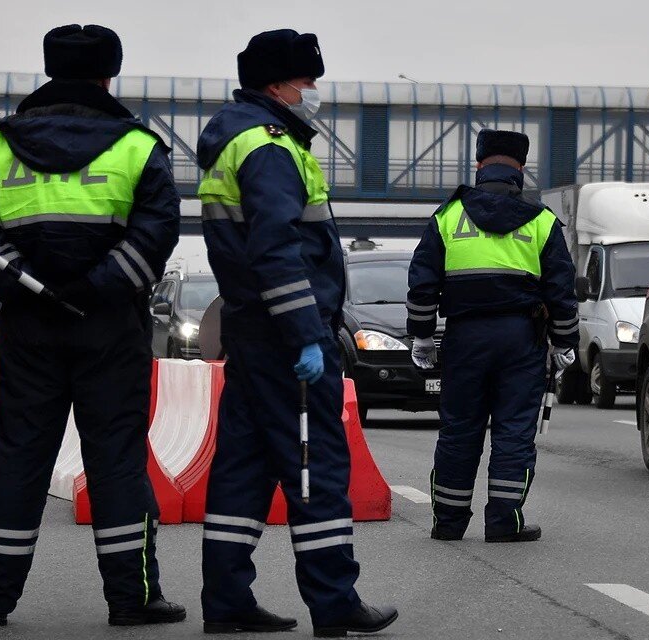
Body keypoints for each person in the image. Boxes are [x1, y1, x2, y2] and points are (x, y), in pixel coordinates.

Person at [0, 24, 184, 627]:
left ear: (50, 69)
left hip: (29, 326)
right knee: (116, 462)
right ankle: (132, 600)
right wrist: (95, 287)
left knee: (17, 459)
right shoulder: (138, 146)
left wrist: (28, 282)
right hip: (110, 330)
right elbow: (156, 234)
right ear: (111, 74)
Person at [195, 29, 398, 637]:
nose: (314, 93)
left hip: (252, 334)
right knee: (317, 471)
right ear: (279, 84)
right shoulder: (269, 147)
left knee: (243, 469)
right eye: (308, 82)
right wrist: (307, 334)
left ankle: (228, 602)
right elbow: (278, 249)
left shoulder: (236, 139)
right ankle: (334, 604)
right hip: (284, 340)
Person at [407, 129, 579, 543]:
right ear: (521, 169)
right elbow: (561, 288)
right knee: (514, 430)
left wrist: (422, 336)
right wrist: (565, 341)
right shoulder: (541, 221)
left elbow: (423, 281)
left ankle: (447, 522)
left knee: (459, 429)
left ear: (480, 166)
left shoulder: (447, 217)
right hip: (522, 338)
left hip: (465, 337)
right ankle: (503, 521)